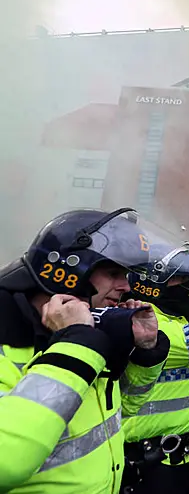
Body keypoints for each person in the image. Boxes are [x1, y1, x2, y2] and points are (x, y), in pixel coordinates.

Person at [0, 208, 170, 493]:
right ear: (68, 271)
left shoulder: (89, 333)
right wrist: (75, 347)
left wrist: (144, 353)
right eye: (114, 272)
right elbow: (6, 461)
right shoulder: (14, 340)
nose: (126, 286)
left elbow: (121, 412)